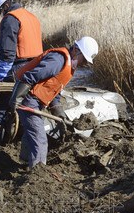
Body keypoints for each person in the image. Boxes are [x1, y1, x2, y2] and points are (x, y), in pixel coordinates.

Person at [8, 36, 99, 169]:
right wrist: (17, 97)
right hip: (28, 99)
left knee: (32, 132)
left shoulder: (68, 66)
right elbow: (32, 76)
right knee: (40, 139)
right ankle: (37, 172)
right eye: (84, 59)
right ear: (76, 50)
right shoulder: (58, 59)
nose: (84, 63)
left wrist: (59, 113)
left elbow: (54, 89)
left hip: (35, 101)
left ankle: (25, 162)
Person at [0, 0, 43, 146]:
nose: (1, 14)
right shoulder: (31, 16)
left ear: (6, 5)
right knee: (25, 104)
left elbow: (7, 51)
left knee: (0, 103)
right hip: (37, 66)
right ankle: (19, 140)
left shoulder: (10, 19)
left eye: (1, 11)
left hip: (20, 66)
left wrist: (2, 75)